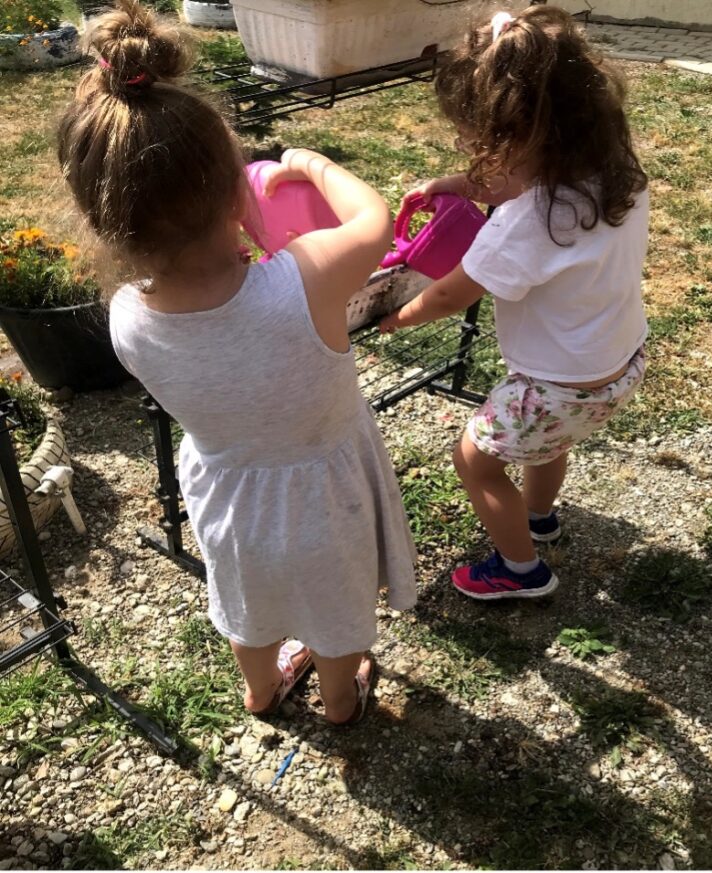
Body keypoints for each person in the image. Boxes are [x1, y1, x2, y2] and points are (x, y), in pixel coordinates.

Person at [58, 0, 416, 723]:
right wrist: (305, 161)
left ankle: (260, 688)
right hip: (327, 493)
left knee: (246, 608)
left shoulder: (127, 315)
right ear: (235, 190)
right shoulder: (302, 279)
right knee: (337, 606)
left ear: (105, 221)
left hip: (227, 495)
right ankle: (341, 699)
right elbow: (373, 220)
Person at [380, 6, 648, 601]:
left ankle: (519, 570)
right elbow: (525, 180)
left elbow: (454, 290)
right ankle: (539, 516)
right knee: (549, 441)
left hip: (553, 387)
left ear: (511, 137)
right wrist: (458, 185)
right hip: (615, 364)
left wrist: (402, 314)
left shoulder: (526, 224)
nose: (471, 150)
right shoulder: (614, 173)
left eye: (477, 142)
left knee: (475, 462)